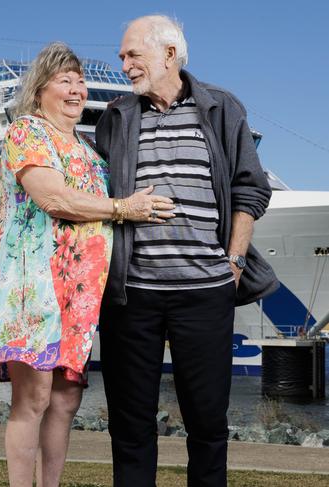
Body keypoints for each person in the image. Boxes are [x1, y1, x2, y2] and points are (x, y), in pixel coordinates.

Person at [0, 42, 175, 487]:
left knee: (65, 401)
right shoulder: (27, 131)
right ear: (40, 89)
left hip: (78, 297)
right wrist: (125, 209)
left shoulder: (87, 149)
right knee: (34, 398)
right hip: (33, 287)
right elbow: (54, 199)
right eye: (65, 80)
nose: (77, 89)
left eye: (80, 81)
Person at [95, 15, 279, 487]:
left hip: (206, 292)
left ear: (169, 54)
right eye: (122, 56)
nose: (124, 64)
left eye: (133, 54)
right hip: (130, 295)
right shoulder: (116, 116)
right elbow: (98, 198)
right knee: (130, 426)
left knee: (207, 424)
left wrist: (234, 261)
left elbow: (250, 189)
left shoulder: (221, 108)